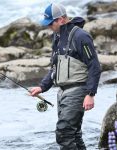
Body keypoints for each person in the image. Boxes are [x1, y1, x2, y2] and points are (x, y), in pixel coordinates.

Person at [30, 3, 101, 150]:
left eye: (51, 23)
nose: (49, 26)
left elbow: (94, 66)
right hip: (62, 92)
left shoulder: (81, 36)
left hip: (78, 90)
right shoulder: (56, 37)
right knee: (74, 134)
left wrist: (90, 94)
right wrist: (42, 87)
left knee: (63, 133)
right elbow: (54, 68)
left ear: (62, 19)